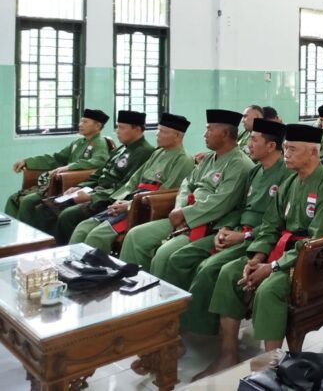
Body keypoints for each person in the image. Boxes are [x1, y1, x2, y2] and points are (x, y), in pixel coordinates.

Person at [195, 123, 323, 379]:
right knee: (230, 272)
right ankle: (228, 353)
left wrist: (272, 267)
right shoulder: (291, 181)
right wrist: (257, 257)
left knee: (269, 289)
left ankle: (271, 367)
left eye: (292, 149)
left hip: (313, 261)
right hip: (283, 251)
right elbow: (271, 224)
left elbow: (317, 241)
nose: (286, 155)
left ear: (313, 152)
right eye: (285, 148)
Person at [155, 118, 292, 335]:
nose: (248, 144)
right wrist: (224, 229)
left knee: (207, 269)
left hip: (258, 237)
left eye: (254, 140)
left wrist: (244, 236)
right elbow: (239, 208)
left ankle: (196, 330)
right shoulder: (255, 172)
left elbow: (279, 223)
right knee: (179, 258)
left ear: (271, 146)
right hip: (236, 230)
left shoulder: (287, 175)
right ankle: (169, 320)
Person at [120, 109, 254, 271]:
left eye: (209, 129)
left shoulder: (239, 164)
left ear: (225, 133)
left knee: (164, 254)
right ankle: (131, 281)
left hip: (209, 224)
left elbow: (221, 202)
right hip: (184, 216)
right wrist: (180, 208)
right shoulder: (209, 158)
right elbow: (187, 184)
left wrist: (185, 214)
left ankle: (160, 288)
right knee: (135, 236)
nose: (204, 134)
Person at [68, 113, 194, 253]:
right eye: (158, 130)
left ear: (177, 136)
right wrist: (117, 199)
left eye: (163, 132)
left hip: (142, 208)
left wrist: (129, 205)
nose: (157, 134)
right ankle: (71, 263)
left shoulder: (183, 159)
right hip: (131, 199)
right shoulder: (157, 153)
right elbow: (134, 180)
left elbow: (164, 194)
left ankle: (94, 267)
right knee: (83, 227)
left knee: (97, 235)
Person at [23, 111, 155, 241]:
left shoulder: (144, 152)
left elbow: (126, 186)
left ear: (137, 129)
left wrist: (92, 196)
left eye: (121, 127)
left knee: (67, 215)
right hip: (95, 191)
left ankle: (63, 250)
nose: (117, 131)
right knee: (45, 207)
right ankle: (42, 246)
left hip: (108, 199)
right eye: (117, 127)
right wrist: (79, 187)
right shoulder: (122, 148)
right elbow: (99, 174)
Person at [6, 108, 111, 218]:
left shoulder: (100, 142)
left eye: (85, 122)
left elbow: (99, 161)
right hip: (57, 183)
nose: (80, 124)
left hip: (70, 186)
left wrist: (69, 167)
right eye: (80, 121)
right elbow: (56, 159)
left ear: (97, 126)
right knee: (13, 198)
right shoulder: (78, 142)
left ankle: (25, 229)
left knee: (27, 201)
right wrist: (27, 162)